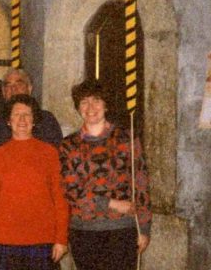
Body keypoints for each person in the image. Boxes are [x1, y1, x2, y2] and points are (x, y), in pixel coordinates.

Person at [59, 80, 151, 270]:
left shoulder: (127, 138)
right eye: (84, 102)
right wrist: (112, 203)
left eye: (97, 100)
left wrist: (144, 228)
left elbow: (140, 183)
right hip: (84, 232)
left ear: (106, 105)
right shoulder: (68, 145)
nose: (91, 107)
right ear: (78, 107)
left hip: (122, 230)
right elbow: (71, 190)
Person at [0, 94, 69, 270]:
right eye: (16, 114)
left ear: (34, 120)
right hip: (3, 242)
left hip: (41, 242)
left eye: (27, 114)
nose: (22, 119)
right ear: (8, 120)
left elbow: (60, 199)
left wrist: (61, 239)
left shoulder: (50, 153)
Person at [0, 68, 63, 160]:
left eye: (19, 84)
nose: (13, 89)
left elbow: (55, 155)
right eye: (8, 85)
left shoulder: (46, 120)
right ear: (3, 92)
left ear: (29, 88)